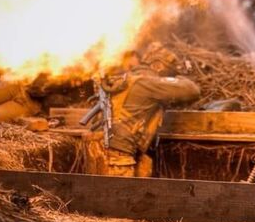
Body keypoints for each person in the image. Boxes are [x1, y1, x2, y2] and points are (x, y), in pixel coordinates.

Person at [86, 42, 200, 177]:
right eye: (170, 72)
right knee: (119, 190)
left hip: (99, 147)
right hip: (117, 152)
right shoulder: (147, 83)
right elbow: (192, 90)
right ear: (158, 65)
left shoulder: (128, 79)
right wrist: (180, 77)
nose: (168, 77)